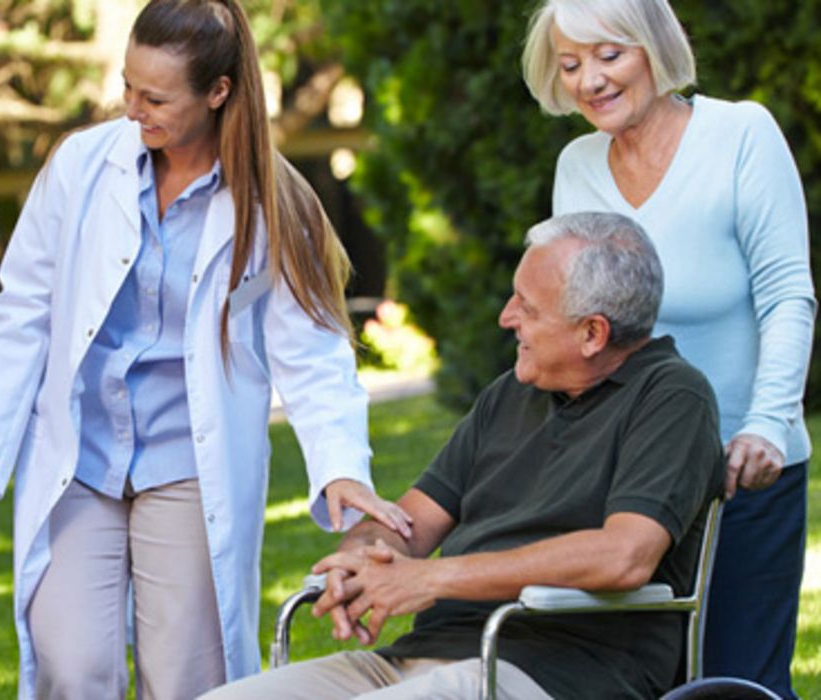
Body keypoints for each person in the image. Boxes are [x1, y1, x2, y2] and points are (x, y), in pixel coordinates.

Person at [0, 1, 409, 697]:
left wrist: (340, 467)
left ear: (217, 93)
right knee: (71, 664)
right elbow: (22, 311)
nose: (132, 109)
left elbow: (310, 350)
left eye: (154, 97)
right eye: (127, 87)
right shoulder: (80, 166)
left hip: (188, 464)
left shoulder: (272, 202)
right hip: (81, 458)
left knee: (187, 672)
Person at [203, 212, 726, 700]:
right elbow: (410, 525)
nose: (506, 318)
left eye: (527, 305)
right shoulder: (510, 394)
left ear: (593, 333)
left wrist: (430, 579)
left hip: (557, 668)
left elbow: (624, 557)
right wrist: (362, 557)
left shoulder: (672, 397)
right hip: (421, 658)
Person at [522, 2, 815, 695]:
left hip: (742, 471)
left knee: (737, 680)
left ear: (653, 48)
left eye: (608, 56)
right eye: (569, 65)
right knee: (631, 679)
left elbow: (786, 295)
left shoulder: (740, 134)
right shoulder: (577, 166)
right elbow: (577, 327)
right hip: (631, 483)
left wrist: (766, 423)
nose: (589, 79)